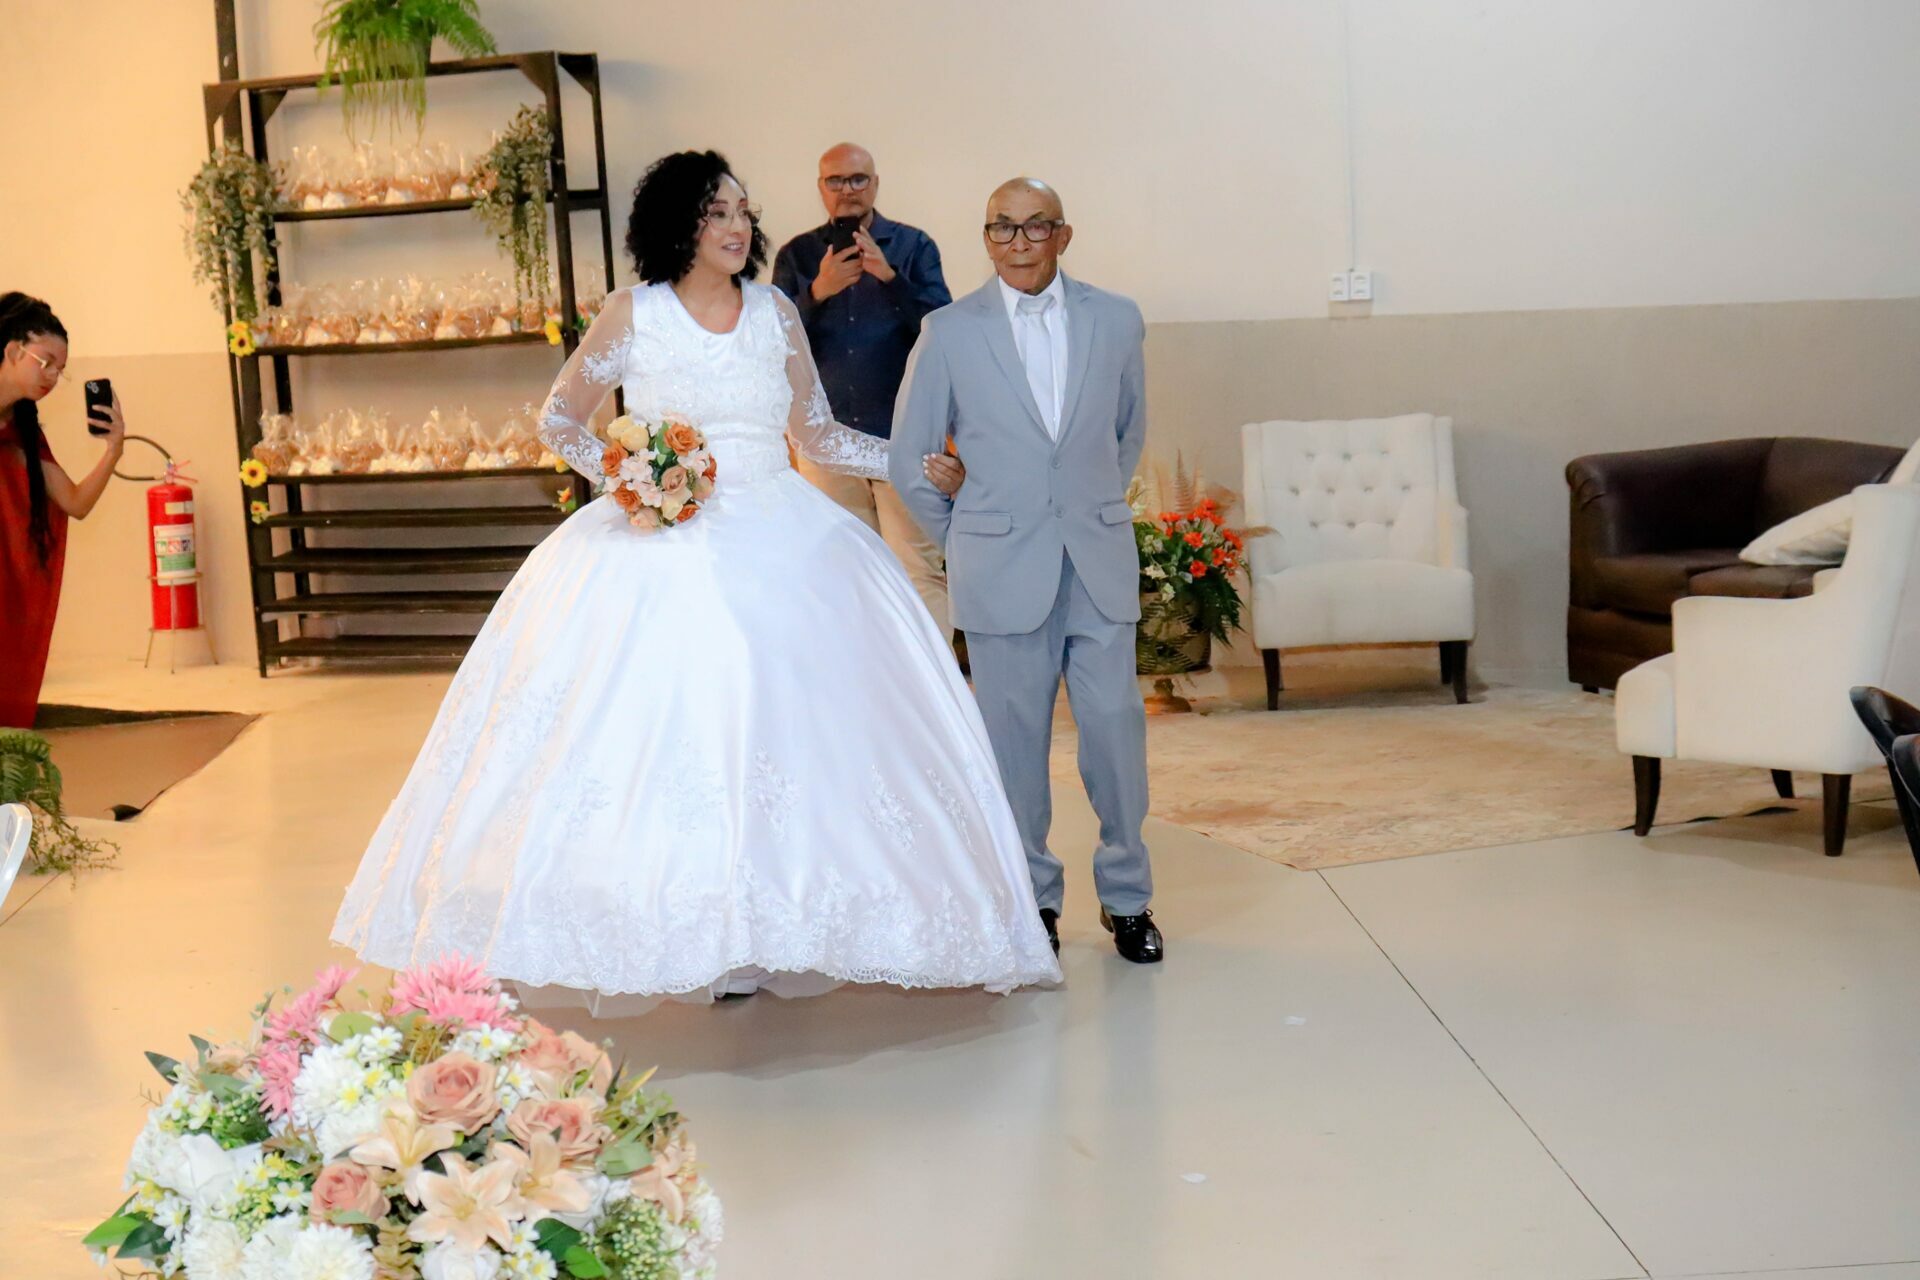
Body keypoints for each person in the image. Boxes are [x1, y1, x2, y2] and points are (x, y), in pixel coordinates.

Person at [332, 152, 1060, 1013]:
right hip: (662, 536)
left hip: (782, 530)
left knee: (783, 724)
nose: (738, 227)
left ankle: (771, 923)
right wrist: (632, 477)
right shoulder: (632, 314)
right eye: (718, 212)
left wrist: (915, 463)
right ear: (679, 223)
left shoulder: (776, 311)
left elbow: (819, 437)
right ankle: (685, 925)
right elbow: (559, 421)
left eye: (744, 212)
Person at [889, 179, 1163, 964]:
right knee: (1013, 749)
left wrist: (1084, 504)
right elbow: (910, 458)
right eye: (1002, 228)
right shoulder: (948, 331)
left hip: (1096, 559)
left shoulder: (1117, 319)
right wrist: (964, 534)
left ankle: (1128, 899)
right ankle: (1032, 902)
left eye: (1035, 227)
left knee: (1116, 735)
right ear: (986, 238)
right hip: (999, 566)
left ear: (1063, 235)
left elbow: (1125, 433)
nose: (1018, 242)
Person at [772, 143, 954, 636]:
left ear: (875, 184)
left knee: (917, 570)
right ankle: (863, 679)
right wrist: (817, 291)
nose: (847, 190)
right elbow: (771, 340)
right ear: (821, 188)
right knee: (844, 571)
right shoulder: (797, 255)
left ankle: (931, 677)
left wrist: (891, 278)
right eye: (836, 180)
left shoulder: (913, 246)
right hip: (825, 440)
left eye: (857, 179)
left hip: (904, 434)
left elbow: (944, 329)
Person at [0, 293, 127, 729]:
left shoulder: (21, 430)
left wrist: (113, 450)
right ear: (12, 352)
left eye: (61, 368)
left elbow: (75, 503)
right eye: (46, 362)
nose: (53, 376)